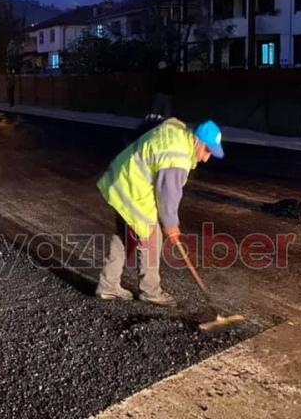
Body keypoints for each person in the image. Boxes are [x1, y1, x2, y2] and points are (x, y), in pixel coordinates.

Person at [96, 118, 224, 306]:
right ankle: (150, 291)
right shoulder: (178, 156)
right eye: (207, 150)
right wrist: (170, 224)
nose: (206, 158)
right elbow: (168, 193)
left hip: (120, 180)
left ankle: (108, 285)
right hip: (132, 189)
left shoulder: (177, 135)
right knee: (152, 236)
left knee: (125, 234)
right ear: (197, 140)